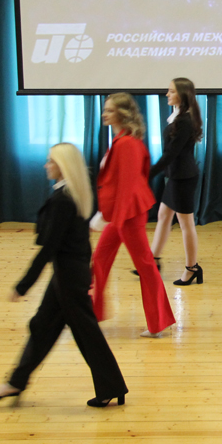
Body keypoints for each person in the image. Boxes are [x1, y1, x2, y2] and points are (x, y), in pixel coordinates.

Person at [0, 143, 128, 407]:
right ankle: (16, 382)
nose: (46, 165)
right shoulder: (72, 194)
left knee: (86, 333)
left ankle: (112, 387)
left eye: (50, 161)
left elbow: (48, 249)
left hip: (69, 279)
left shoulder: (63, 200)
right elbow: (79, 243)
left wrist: (23, 285)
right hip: (69, 274)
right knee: (43, 326)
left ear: (62, 166)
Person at [90, 93, 176, 337]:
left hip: (128, 214)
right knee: (100, 259)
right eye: (105, 109)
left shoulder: (127, 143)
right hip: (122, 213)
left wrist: (107, 216)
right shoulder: (122, 140)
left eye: (110, 110)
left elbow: (128, 185)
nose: (104, 114)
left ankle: (159, 322)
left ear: (122, 114)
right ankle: (90, 313)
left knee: (145, 265)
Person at [148, 77, 204, 285]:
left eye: (171, 91)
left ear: (182, 94)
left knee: (186, 225)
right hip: (176, 176)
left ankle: (192, 268)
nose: (167, 94)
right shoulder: (179, 116)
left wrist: (148, 174)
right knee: (163, 216)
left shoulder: (184, 121)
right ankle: (152, 261)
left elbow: (171, 153)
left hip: (183, 178)